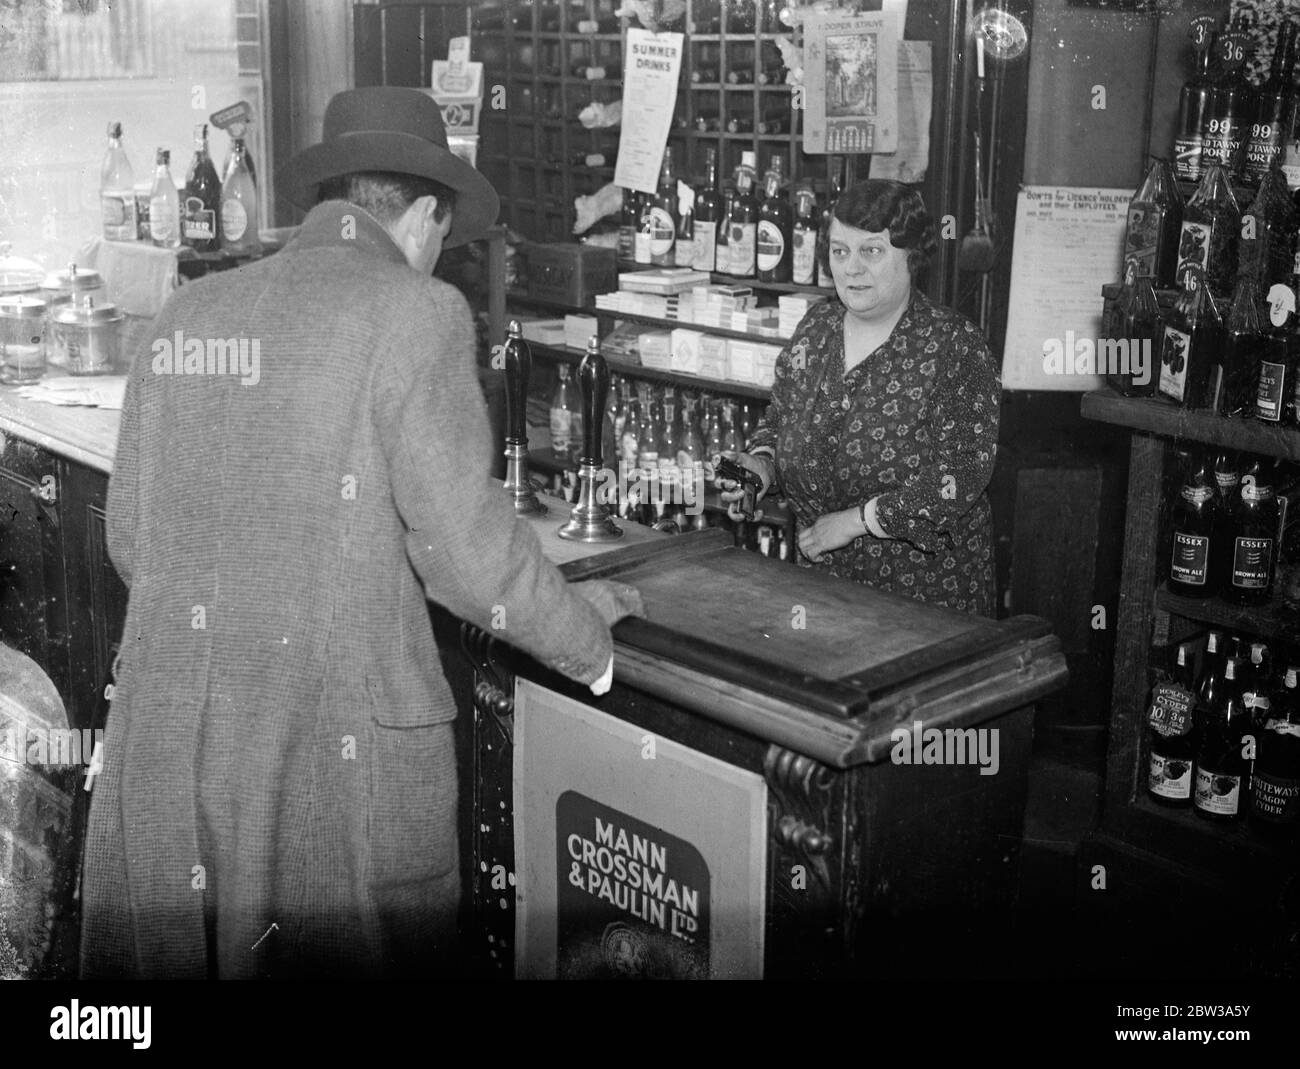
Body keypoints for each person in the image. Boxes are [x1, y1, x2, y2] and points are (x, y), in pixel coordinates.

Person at [81, 87, 640, 979]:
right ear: (423, 216)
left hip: (172, 745)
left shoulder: (189, 315)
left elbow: (134, 541)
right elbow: (467, 555)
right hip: (327, 771)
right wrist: (586, 640)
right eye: (441, 244)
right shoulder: (414, 315)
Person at [722, 179, 999, 616]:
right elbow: (780, 420)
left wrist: (858, 521)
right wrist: (761, 465)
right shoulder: (816, 330)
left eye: (871, 251)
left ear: (912, 256)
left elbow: (960, 475)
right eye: (839, 251)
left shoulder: (953, 346)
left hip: (921, 599)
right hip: (821, 588)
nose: (851, 269)